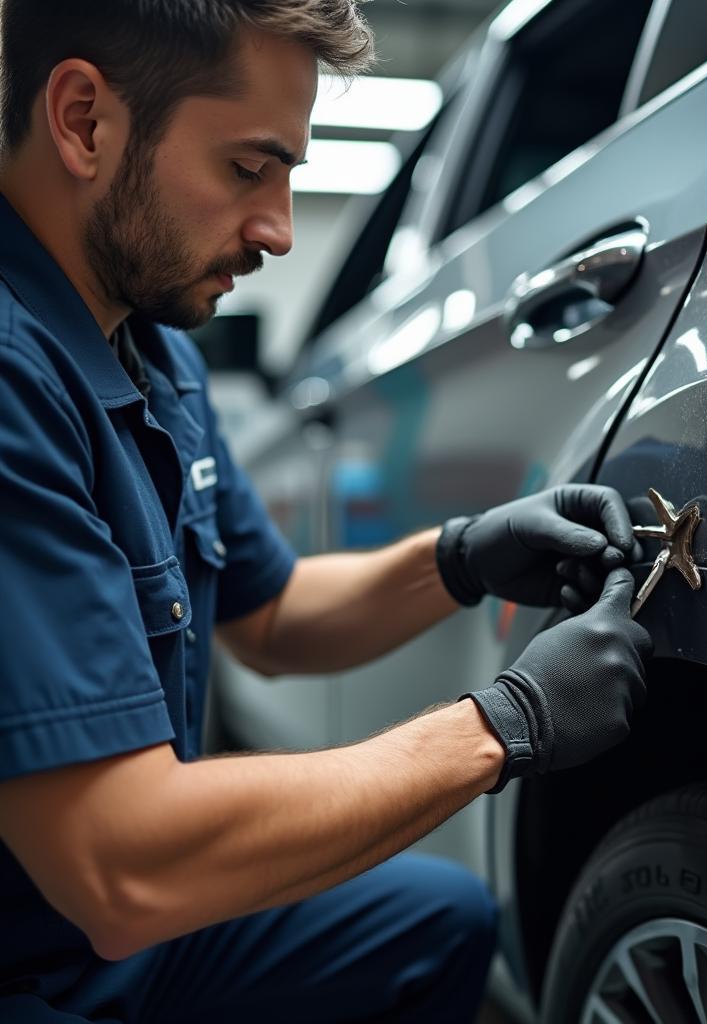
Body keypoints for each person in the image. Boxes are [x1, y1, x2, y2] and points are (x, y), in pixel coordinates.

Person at [0, 2, 652, 1021]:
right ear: (84, 120)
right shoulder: (11, 378)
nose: (279, 228)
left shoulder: (153, 341)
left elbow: (271, 616)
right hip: (31, 953)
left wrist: (462, 558)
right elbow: (121, 863)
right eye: (248, 168)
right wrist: (502, 724)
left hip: (97, 936)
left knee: (435, 918)